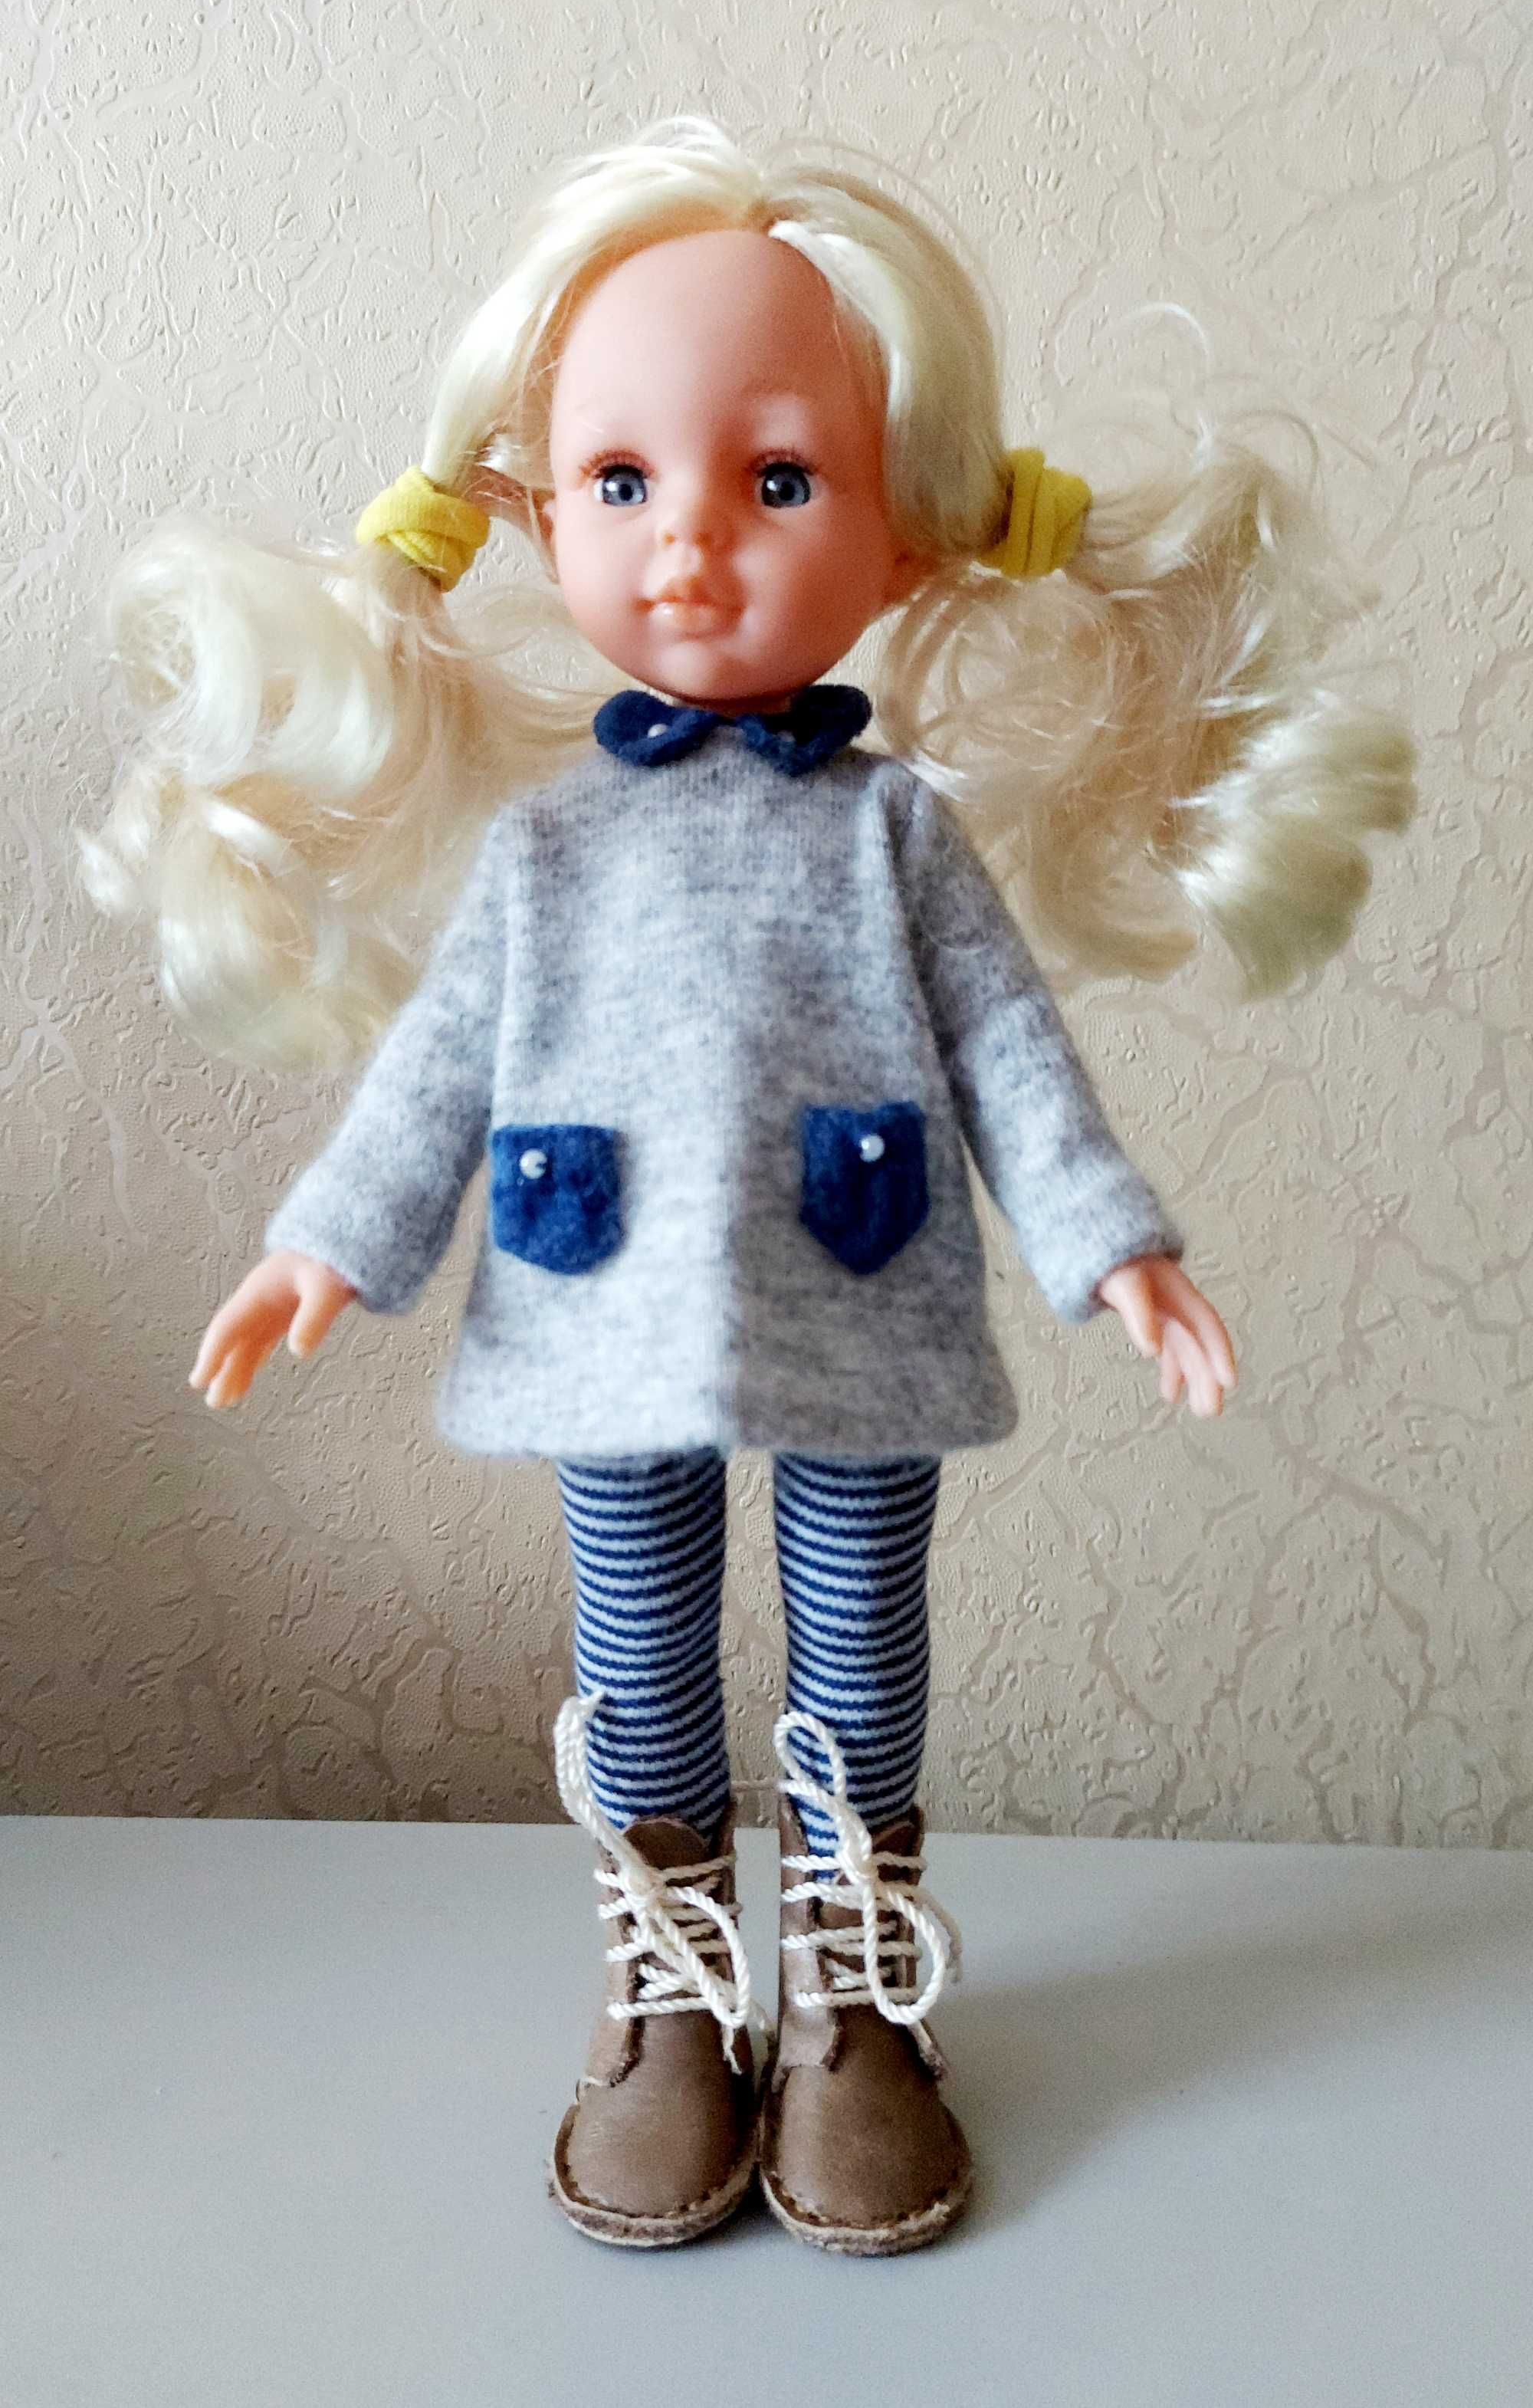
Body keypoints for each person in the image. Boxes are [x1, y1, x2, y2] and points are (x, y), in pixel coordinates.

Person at [81, 118, 1414, 2255]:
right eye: (621, 482)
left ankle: (852, 1998)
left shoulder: (896, 833)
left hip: (860, 1289)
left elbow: (1010, 1054)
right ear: (539, 518)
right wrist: (324, 1247)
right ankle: (670, 1994)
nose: (690, 542)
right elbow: (438, 1070)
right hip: (595, 1295)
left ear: (906, 532)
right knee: (639, 1652)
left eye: (777, 480)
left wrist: (1116, 1247)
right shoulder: (545, 849)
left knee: (859, 1636)